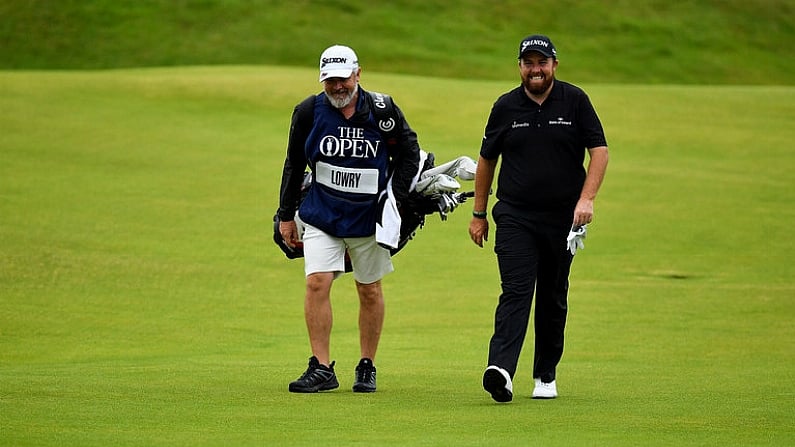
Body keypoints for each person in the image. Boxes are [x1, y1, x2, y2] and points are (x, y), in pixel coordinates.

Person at [468, 35, 609, 402]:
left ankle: (545, 373)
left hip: (564, 218)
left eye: (541, 62)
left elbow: (599, 151)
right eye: (528, 63)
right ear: (519, 67)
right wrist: (479, 213)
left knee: (552, 294)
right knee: (515, 291)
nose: (535, 69)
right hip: (515, 215)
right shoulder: (505, 107)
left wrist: (587, 199)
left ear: (554, 65)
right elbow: (486, 160)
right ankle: (501, 369)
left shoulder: (575, 100)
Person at [277, 45, 421, 393]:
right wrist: (285, 216)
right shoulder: (309, 111)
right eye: (330, 81)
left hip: (369, 219)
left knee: (369, 289)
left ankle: (367, 365)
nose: (338, 87)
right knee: (316, 283)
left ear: (358, 74)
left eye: (343, 79)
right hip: (321, 213)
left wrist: (394, 201)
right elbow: (294, 163)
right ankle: (322, 367)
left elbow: (410, 154)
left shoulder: (383, 111)